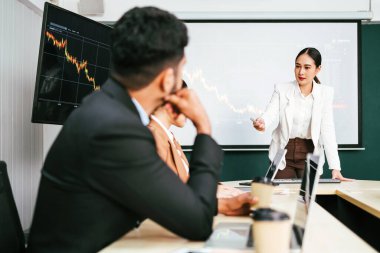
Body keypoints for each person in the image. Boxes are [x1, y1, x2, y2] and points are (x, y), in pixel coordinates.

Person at [27, 7, 224, 253]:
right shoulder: (115, 129)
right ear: (166, 79)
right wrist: (203, 127)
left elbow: (171, 201)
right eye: (181, 68)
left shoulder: (109, 110)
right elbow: (198, 223)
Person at [148, 80, 256, 216]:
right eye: (186, 101)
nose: (190, 111)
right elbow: (164, 194)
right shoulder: (154, 136)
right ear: (171, 103)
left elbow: (186, 180)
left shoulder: (167, 135)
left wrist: (216, 189)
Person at [252, 47, 352, 181]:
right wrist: (262, 122)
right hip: (282, 152)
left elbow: (328, 130)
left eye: (307, 67)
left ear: (317, 69)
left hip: (310, 153)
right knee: (278, 197)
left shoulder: (325, 93)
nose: (301, 72)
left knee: (308, 199)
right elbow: (269, 113)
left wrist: (335, 168)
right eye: (298, 66)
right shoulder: (281, 89)